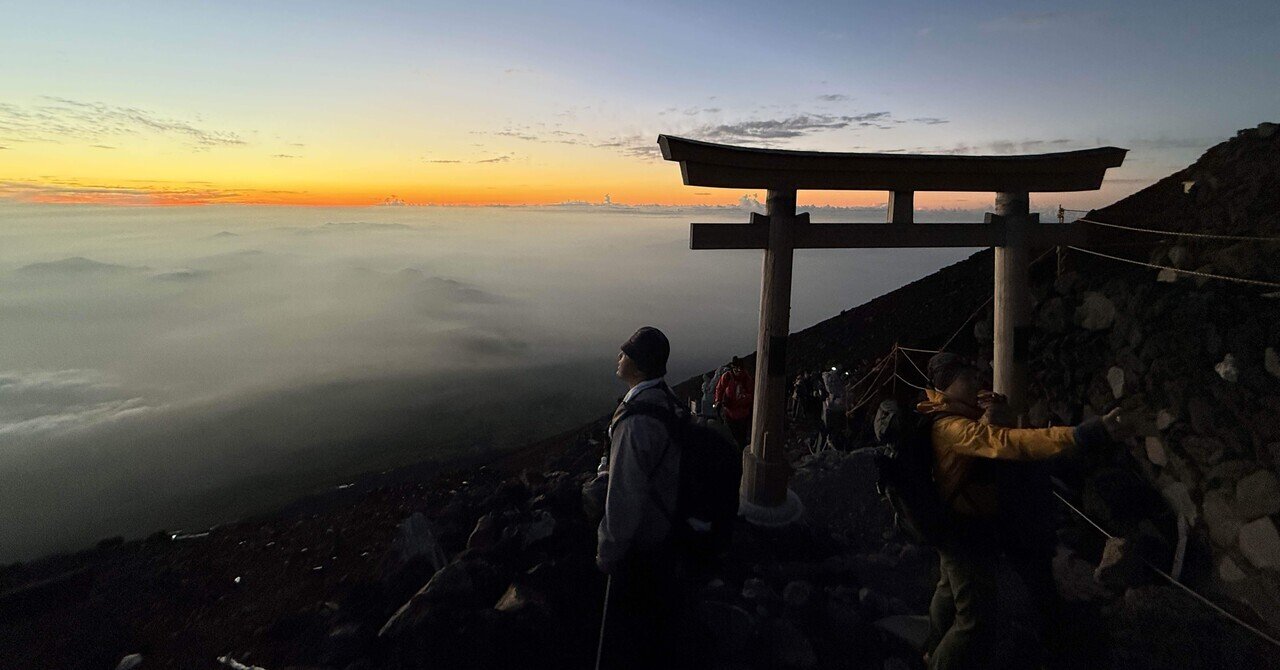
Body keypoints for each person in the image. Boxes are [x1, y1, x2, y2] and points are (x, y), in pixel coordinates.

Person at [919, 352, 1123, 670]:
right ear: (946, 386)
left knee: (947, 589)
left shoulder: (953, 410)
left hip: (953, 523)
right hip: (963, 531)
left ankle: (932, 647)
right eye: (966, 377)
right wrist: (1081, 433)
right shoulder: (952, 427)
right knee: (975, 620)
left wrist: (989, 409)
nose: (976, 380)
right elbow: (1007, 442)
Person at [596, 326, 689, 668]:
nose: (618, 358)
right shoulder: (668, 400)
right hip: (671, 531)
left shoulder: (636, 422)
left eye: (625, 353)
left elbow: (625, 495)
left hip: (647, 544)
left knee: (632, 635)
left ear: (637, 365)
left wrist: (607, 552)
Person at [713, 356, 754, 447]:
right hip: (729, 412)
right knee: (731, 437)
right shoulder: (727, 377)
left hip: (742, 414)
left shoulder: (747, 379)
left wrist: (741, 401)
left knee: (741, 438)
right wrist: (718, 401)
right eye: (735, 368)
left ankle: (740, 454)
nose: (737, 371)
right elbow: (719, 389)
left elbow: (751, 395)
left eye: (739, 368)